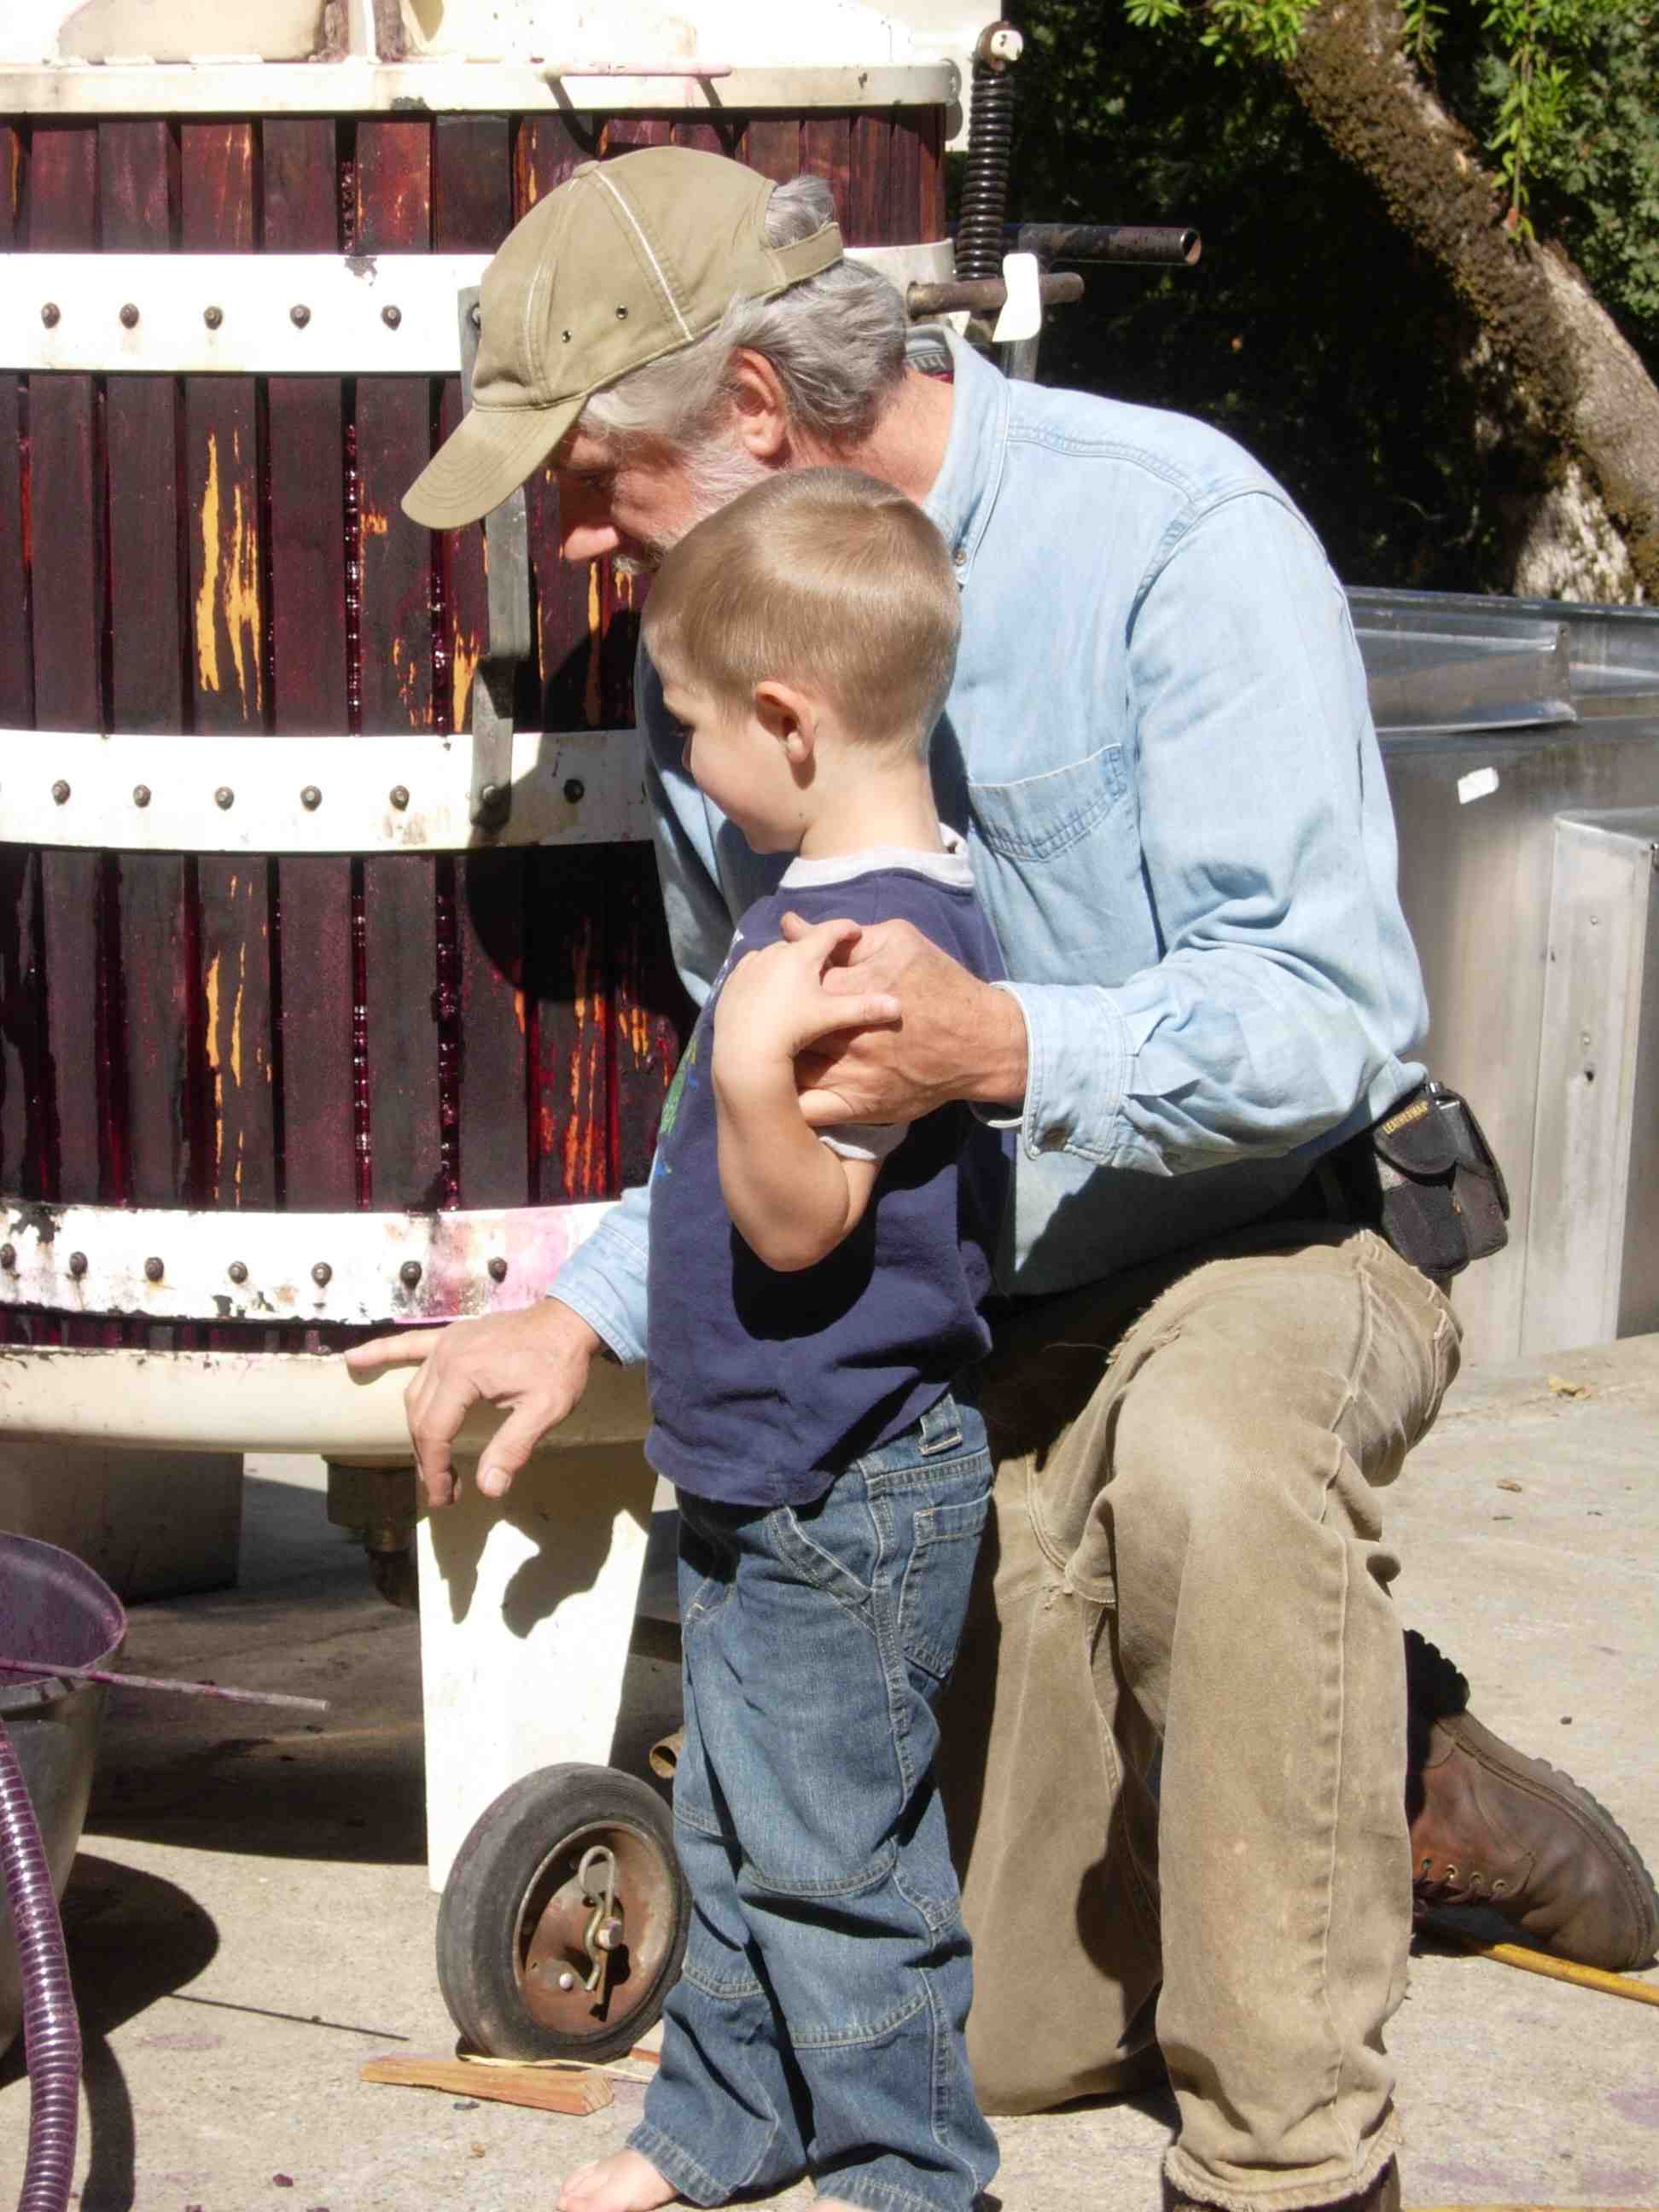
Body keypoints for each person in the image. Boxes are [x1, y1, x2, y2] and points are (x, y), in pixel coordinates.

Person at [351, 146, 1659, 2212]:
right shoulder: (724, 659)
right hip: (978, 1325)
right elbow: (741, 1069)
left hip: (1268, 1234)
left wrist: (1011, 1048)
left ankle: (1294, 2160)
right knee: (996, 2041)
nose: (574, 536)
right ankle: (1348, 1752)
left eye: (593, 475)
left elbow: (1328, 1015)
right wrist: (583, 1308)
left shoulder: (1173, 533)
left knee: (1215, 1475)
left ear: (757, 411)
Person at [556, 463, 1009, 2212]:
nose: (681, 757)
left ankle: (909, 2171)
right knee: (735, 1825)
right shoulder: (820, 904)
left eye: (688, 723)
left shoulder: (874, 954)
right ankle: (726, 2120)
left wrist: (748, 1064)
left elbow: (806, 1219)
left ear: (787, 721)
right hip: (773, 1459)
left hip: (850, 1484)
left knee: (839, 1865)